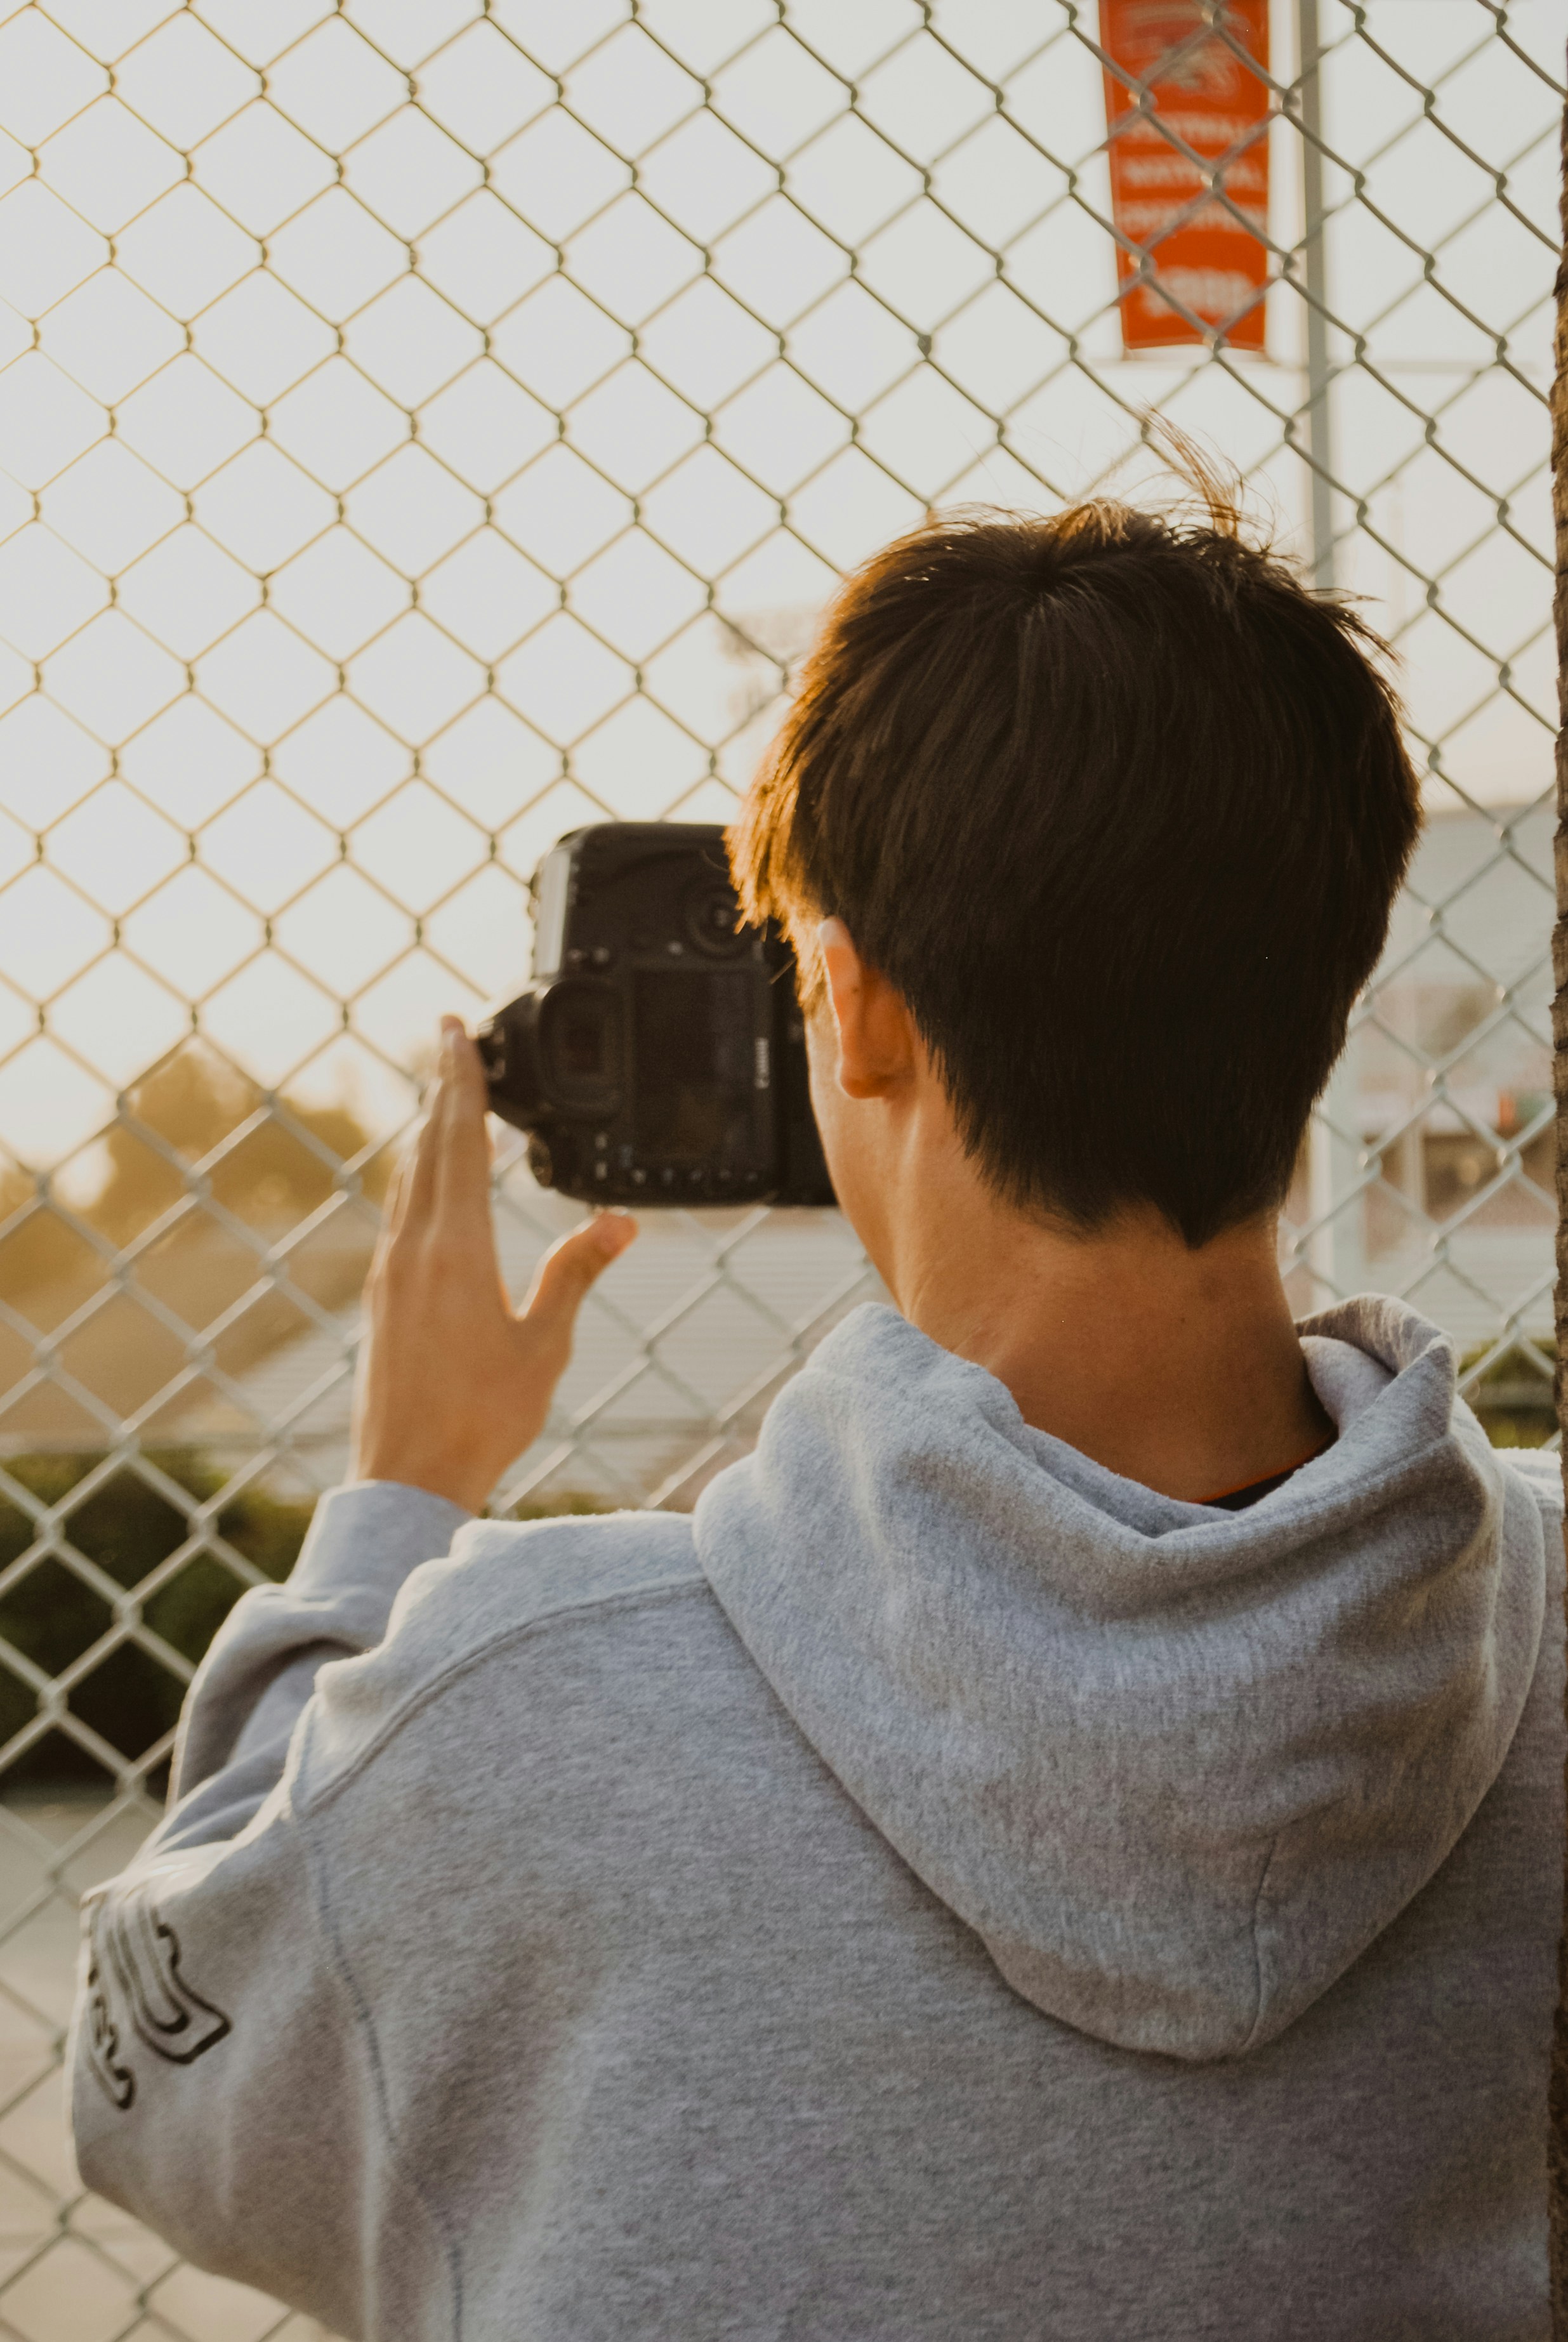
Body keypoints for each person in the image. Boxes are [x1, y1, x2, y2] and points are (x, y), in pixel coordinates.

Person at [69, 485, 1561, 2341]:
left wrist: (396, 1498)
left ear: (846, 1009)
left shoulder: (519, 1709)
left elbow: (150, 2082)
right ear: (1328, 996)